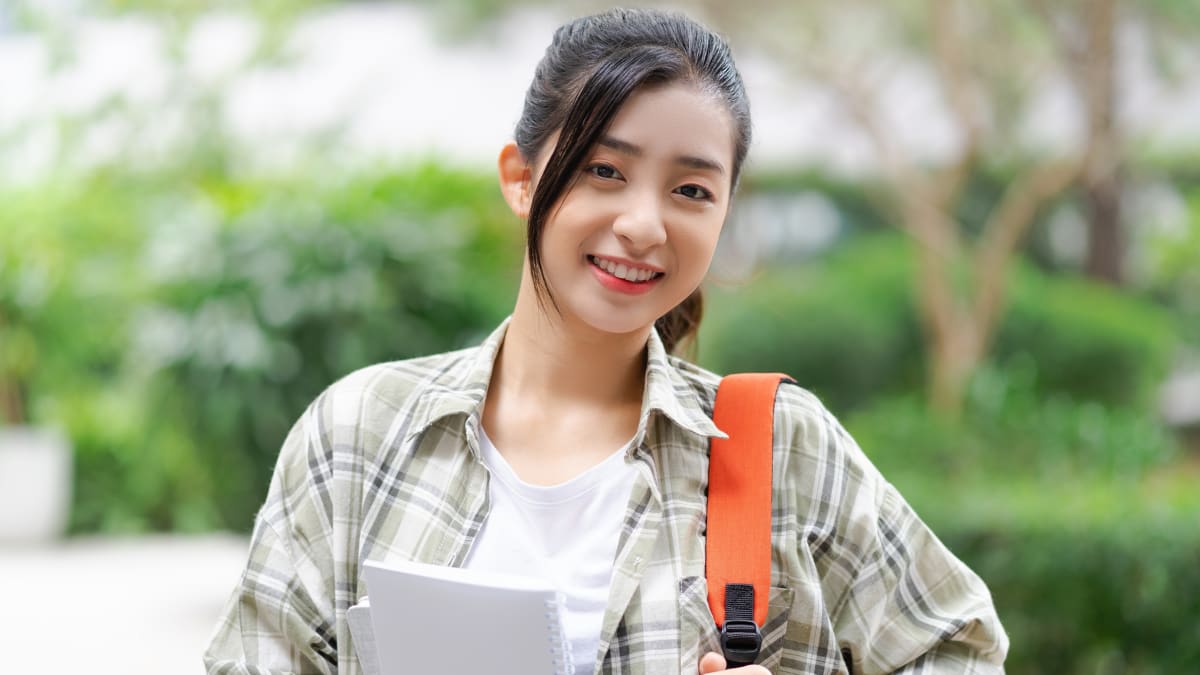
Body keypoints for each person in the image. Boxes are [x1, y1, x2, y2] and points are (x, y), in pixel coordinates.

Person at [204, 8, 1008, 675]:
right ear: (521, 177)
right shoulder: (359, 435)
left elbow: (962, 649)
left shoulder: (777, 445)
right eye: (605, 171)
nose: (645, 224)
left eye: (692, 189)